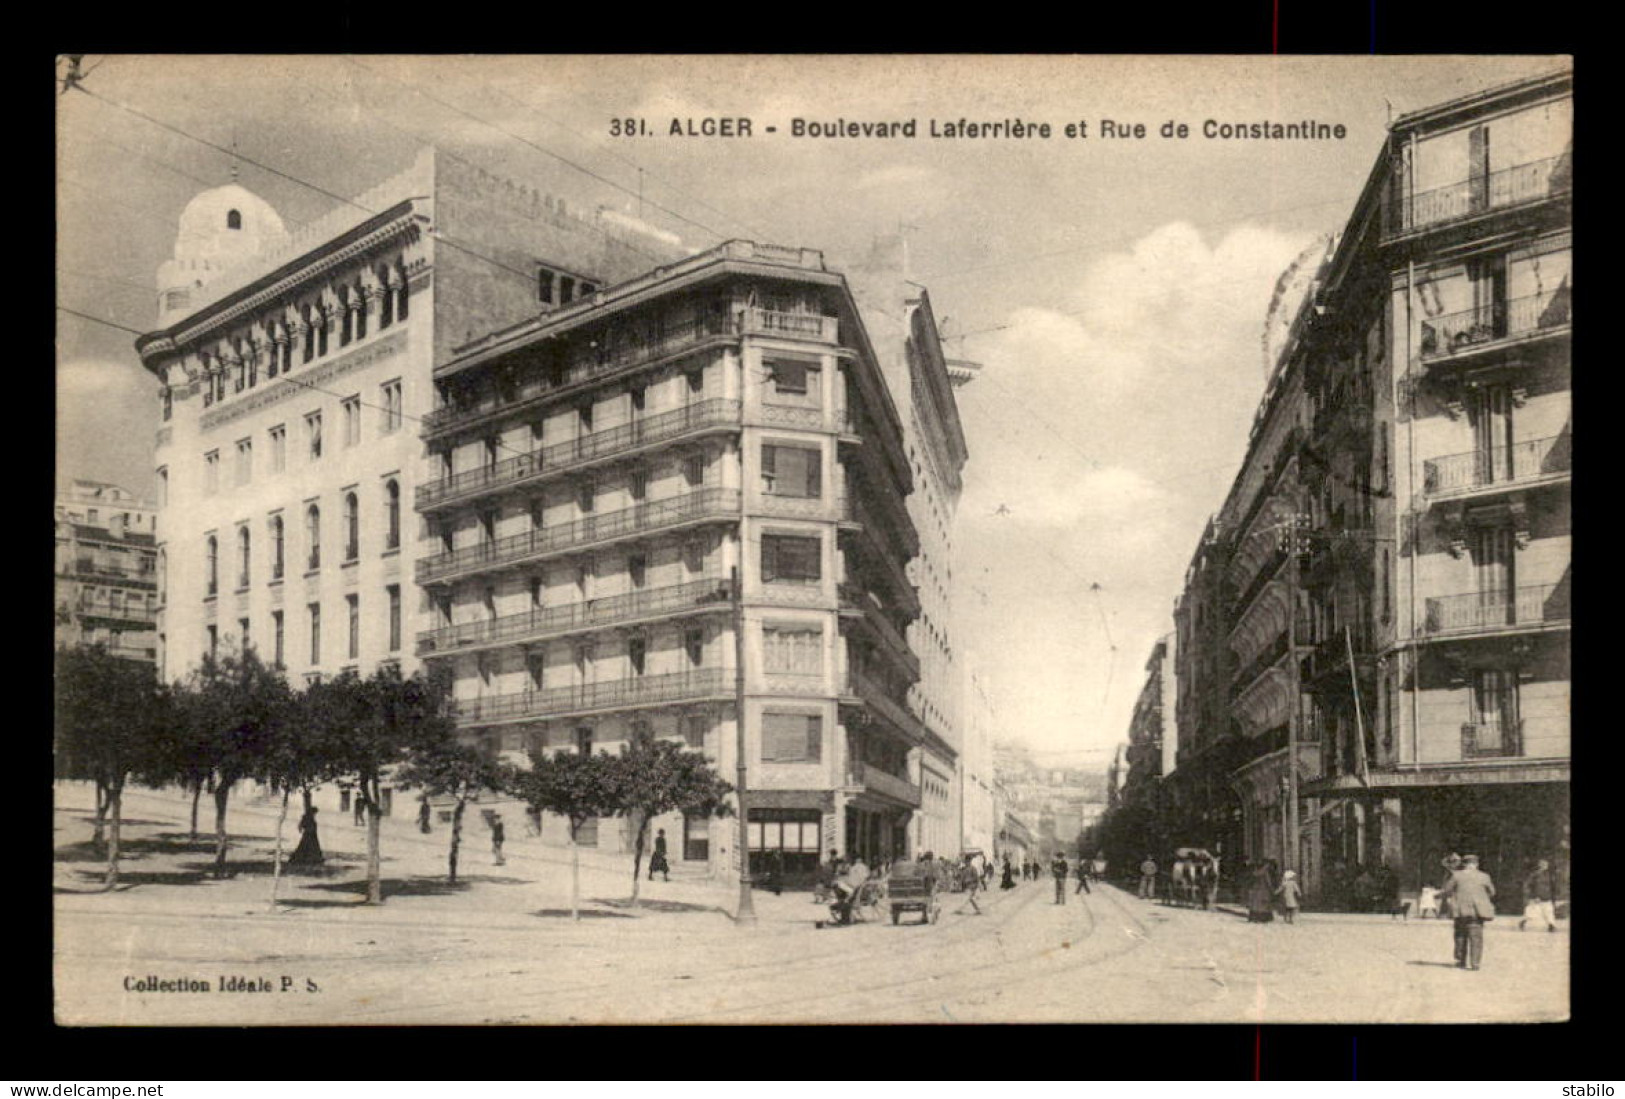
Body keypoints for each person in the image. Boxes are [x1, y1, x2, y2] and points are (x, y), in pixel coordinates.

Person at [1440, 853, 1496, 970]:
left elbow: (1447, 890)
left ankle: (1461, 961)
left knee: (1460, 935)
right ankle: (1475, 963)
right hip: (1477, 912)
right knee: (1476, 937)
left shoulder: (1456, 876)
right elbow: (1492, 892)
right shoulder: (1484, 876)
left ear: (1464, 864)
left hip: (1460, 911)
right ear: (1476, 864)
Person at [1521, 858, 1558, 932]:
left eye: (1546, 864)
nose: (1545, 866)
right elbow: (1527, 885)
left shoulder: (1549, 875)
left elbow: (1553, 886)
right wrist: (1531, 895)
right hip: (1536, 896)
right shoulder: (1534, 875)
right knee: (1532, 912)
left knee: (1549, 911)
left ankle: (1551, 925)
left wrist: (1553, 895)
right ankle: (1523, 922)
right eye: (1543, 864)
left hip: (1546, 896)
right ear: (1539, 865)